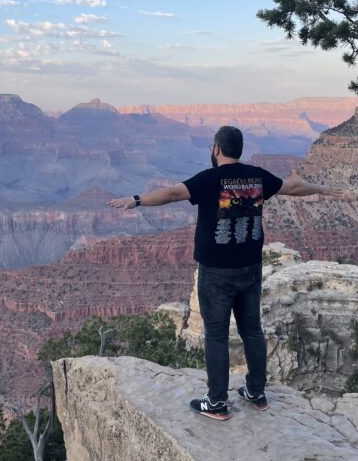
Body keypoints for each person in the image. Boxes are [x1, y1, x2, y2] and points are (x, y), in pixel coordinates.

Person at [108, 125, 343, 420]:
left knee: (216, 335)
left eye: (212, 148)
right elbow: (293, 187)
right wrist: (320, 189)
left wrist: (137, 200)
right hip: (251, 268)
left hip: (217, 272)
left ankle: (217, 402)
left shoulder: (210, 179)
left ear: (217, 149)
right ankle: (256, 392)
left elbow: (171, 193)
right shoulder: (257, 176)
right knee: (252, 330)